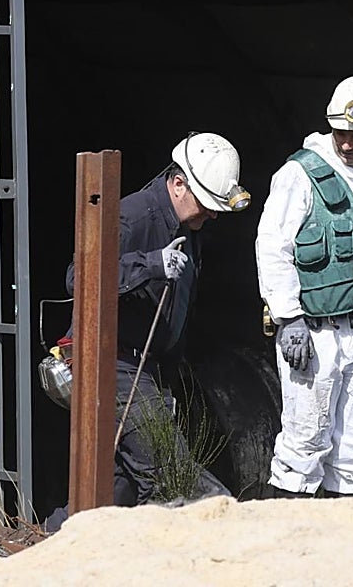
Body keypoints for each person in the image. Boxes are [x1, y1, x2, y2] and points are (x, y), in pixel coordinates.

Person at [65, 131, 250, 508]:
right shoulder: (133, 217)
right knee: (172, 476)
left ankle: (60, 543)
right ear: (178, 184)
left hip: (148, 367)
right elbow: (78, 278)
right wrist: (149, 265)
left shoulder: (187, 223)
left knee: (119, 489)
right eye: (207, 203)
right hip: (112, 364)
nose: (213, 214)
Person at [257, 75, 353, 498]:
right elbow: (273, 248)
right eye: (342, 133)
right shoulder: (299, 174)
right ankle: (288, 540)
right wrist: (288, 318)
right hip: (314, 331)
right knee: (304, 444)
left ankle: (343, 551)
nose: (348, 143)